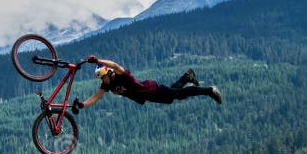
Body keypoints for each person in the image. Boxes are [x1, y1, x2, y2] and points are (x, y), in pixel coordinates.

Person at [72, 55, 222, 113]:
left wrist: (98, 60)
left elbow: (115, 65)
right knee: (170, 98)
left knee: (180, 95)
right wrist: (82, 105)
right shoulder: (107, 85)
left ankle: (209, 90)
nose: (101, 80)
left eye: (102, 77)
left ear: (108, 73)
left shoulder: (123, 75)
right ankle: (186, 77)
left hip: (152, 90)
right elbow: (95, 97)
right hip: (149, 96)